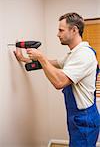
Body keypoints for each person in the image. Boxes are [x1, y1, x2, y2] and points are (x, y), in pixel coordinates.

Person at [14, 12, 100, 147]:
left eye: (61, 30)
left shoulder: (84, 55)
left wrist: (41, 57)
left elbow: (59, 82)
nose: (57, 34)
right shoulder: (74, 54)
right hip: (77, 117)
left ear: (74, 30)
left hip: (85, 119)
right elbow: (53, 63)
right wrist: (24, 59)